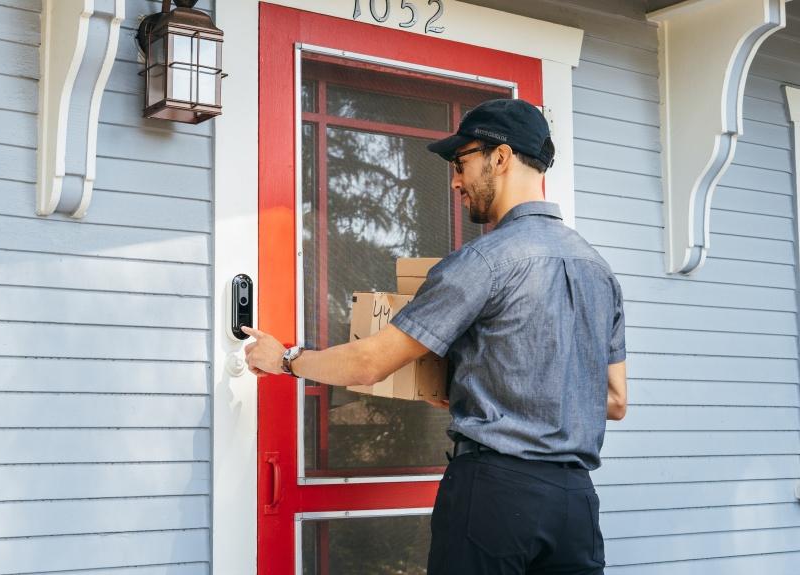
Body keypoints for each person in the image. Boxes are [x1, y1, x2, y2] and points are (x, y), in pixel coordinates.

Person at [243, 98, 627, 575]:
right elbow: (614, 400)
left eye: (461, 161)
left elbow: (369, 363)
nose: (455, 180)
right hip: (576, 505)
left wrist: (285, 359)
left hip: (494, 494)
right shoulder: (599, 270)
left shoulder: (485, 262)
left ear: (501, 157)